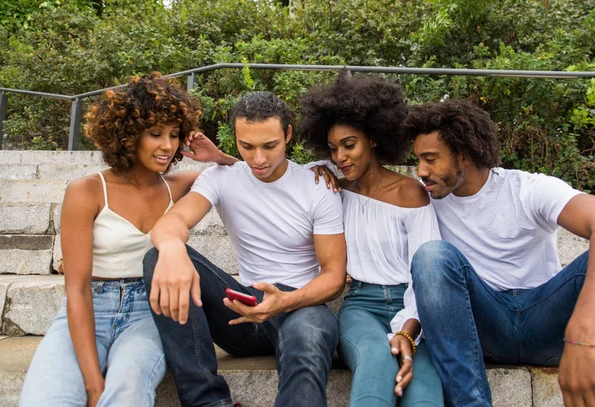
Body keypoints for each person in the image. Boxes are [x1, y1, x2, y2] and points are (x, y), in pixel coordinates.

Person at [19, 72, 237, 407]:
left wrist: (218, 156)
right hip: (91, 304)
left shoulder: (178, 185)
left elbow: (249, 176)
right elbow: (76, 290)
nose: (168, 145)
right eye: (155, 134)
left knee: (128, 392)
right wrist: (93, 385)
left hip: (148, 311)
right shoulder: (87, 190)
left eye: (174, 135)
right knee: (46, 400)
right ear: (128, 134)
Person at [142, 91, 347, 407]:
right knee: (158, 256)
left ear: (287, 134)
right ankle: (209, 402)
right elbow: (172, 222)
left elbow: (334, 277)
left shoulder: (318, 184)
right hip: (243, 310)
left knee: (308, 343)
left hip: (300, 305)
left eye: (270, 146)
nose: (259, 159)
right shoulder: (221, 178)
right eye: (247, 147)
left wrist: (285, 302)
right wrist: (171, 250)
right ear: (234, 139)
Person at [402, 99, 595, 407]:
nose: (421, 171)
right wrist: (325, 177)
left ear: (463, 155)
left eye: (430, 159)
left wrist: (584, 327)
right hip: (484, 325)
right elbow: (371, 187)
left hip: (545, 317)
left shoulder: (527, 189)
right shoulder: (423, 201)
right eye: (418, 160)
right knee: (432, 257)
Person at [300, 73, 444, 406]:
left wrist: (409, 330)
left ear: (374, 139)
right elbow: (272, 172)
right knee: (376, 361)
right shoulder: (334, 190)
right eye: (333, 149)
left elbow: (427, 274)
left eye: (349, 145)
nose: (340, 157)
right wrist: (317, 165)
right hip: (360, 307)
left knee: (423, 388)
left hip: (414, 307)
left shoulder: (409, 192)